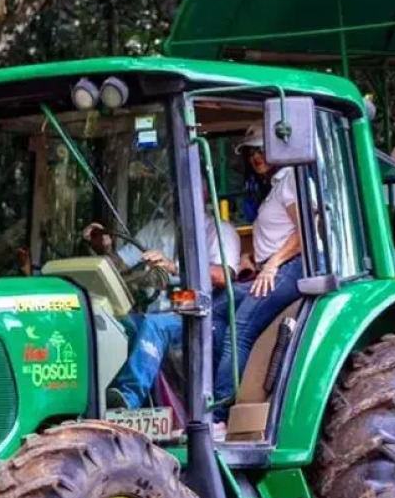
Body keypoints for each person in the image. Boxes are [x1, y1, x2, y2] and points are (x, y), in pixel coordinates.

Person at [108, 189, 242, 410]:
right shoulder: (157, 229)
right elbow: (120, 263)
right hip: (158, 309)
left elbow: (222, 275)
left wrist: (173, 267)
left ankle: (127, 398)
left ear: (205, 192)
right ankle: (104, 397)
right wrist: (102, 248)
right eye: (172, 189)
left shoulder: (219, 231)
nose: (176, 196)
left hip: (197, 311)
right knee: (120, 323)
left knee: (155, 326)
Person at [210, 124, 305, 415]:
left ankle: (220, 414)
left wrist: (273, 264)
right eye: (252, 151)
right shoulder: (275, 185)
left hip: (290, 267)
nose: (256, 156)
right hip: (271, 267)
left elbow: (307, 232)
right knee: (215, 308)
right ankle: (214, 394)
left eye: (263, 149)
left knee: (239, 329)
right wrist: (252, 259)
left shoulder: (289, 178)